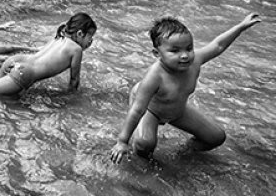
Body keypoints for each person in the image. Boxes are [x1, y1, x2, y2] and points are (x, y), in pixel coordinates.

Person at [110, 13, 260, 163]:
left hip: (176, 109)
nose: (184, 56)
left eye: (189, 48)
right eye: (175, 51)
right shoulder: (155, 76)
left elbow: (218, 45)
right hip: (151, 109)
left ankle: (183, 153)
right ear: (157, 53)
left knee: (216, 137)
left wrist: (241, 27)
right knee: (145, 143)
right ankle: (142, 162)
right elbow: (137, 109)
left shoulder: (194, 62)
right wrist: (122, 141)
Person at [0, 13, 97, 107]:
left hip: (16, 60)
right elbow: (74, 83)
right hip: (24, 73)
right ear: (80, 34)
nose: (91, 41)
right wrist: (71, 102)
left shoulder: (59, 37)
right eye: (90, 36)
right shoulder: (76, 50)